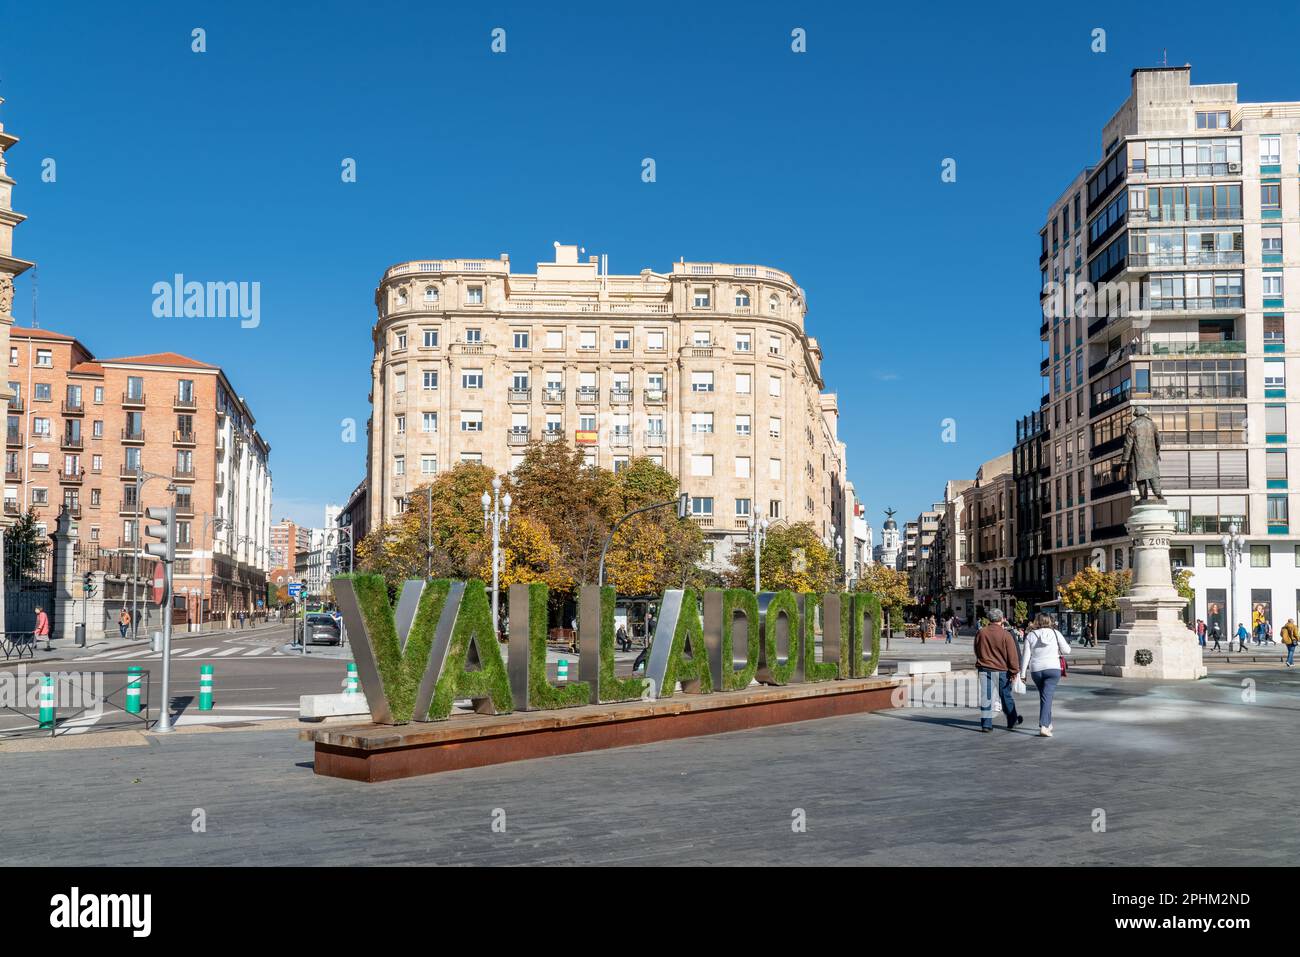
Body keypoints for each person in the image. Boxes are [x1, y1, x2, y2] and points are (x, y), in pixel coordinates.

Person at [1018, 614, 1071, 737]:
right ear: (1050, 621)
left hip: (1036, 669)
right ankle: (1044, 725)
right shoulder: (1056, 633)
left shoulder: (1031, 635)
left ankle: (1048, 722)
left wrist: (1023, 674)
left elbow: (1026, 656)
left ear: (1037, 622)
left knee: (1045, 696)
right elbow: (1067, 650)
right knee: (1047, 696)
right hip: (1053, 668)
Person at [974, 608, 1021, 733]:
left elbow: (977, 649)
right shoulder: (1006, 634)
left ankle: (986, 724)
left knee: (986, 696)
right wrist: (1014, 671)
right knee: (1005, 695)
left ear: (989, 619)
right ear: (1001, 619)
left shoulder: (981, 632)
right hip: (1002, 670)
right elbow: (1012, 655)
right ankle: (1012, 720)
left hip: (984, 668)